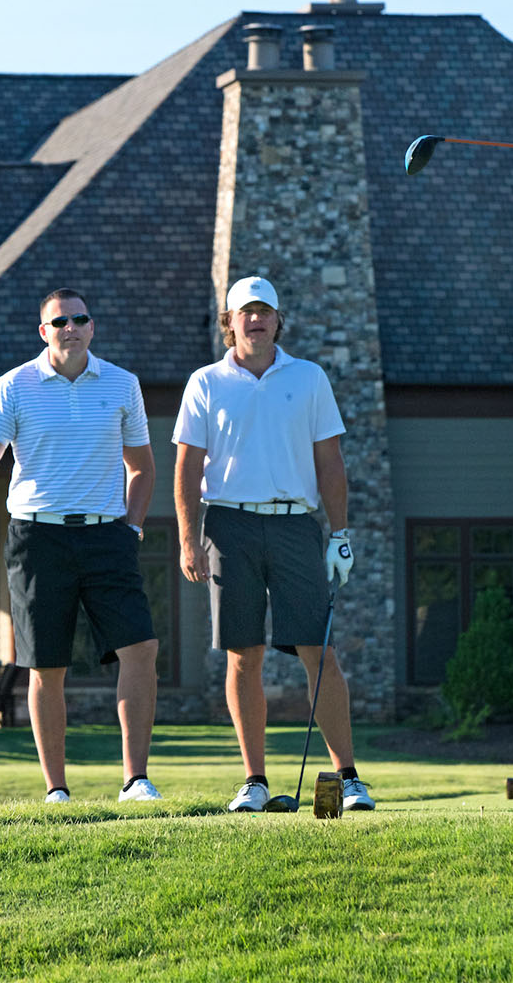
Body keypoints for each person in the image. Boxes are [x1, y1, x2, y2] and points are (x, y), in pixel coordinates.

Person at [0, 287, 162, 803]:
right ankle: (56, 789)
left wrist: (132, 529)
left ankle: (136, 780)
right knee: (46, 665)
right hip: (37, 538)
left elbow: (142, 467)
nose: (70, 328)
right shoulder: (15, 385)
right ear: (43, 332)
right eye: (59, 322)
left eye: (80, 319)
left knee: (141, 648)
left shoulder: (122, 384)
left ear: (92, 327)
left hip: (107, 535)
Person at [174, 276, 373, 814]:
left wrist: (340, 534)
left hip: (295, 525)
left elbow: (330, 461)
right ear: (230, 321)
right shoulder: (206, 382)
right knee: (244, 655)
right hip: (229, 526)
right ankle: (254, 781)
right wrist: (189, 539)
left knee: (319, 652)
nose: (256, 319)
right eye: (246, 312)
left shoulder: (309, 378)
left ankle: (348, 778)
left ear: (278, 320)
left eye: (265, 311)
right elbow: (187, 467)